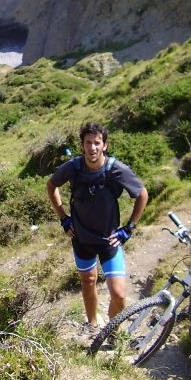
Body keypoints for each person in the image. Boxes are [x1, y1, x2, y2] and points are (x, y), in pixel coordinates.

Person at [46, 122, 148, 329]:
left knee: (119, 295)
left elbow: (142, 194)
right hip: (81, 238)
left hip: (109, 240)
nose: (92, 147)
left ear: (105, 145)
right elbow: (51, 185)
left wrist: (129, 228)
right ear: (82, 145)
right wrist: (64, 218)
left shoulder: (116, 169)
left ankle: (112, 328)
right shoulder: (73, 167)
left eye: (97, 143)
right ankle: (93, 322)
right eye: (88, 143)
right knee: (88, 281)